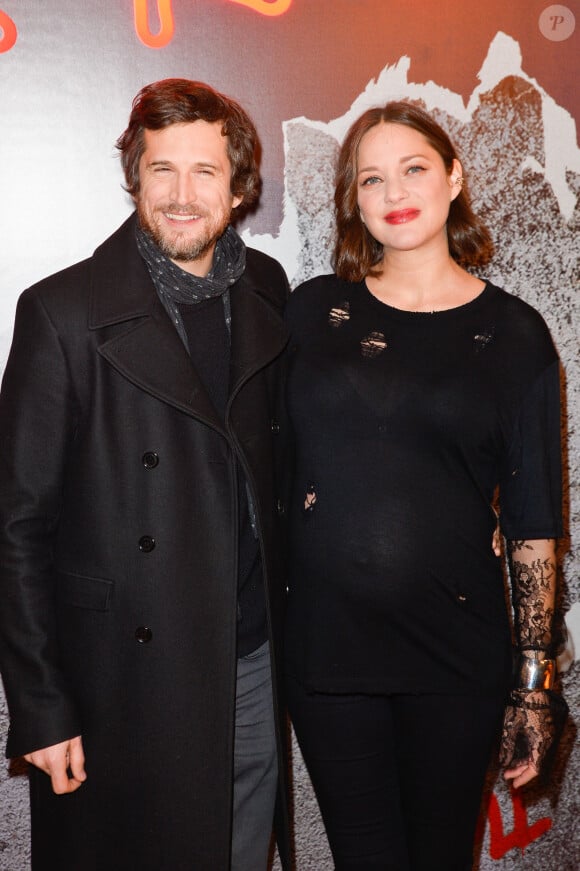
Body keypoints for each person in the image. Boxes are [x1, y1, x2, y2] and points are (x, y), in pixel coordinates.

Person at [0, 79, 292, 871]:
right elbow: (16, 527)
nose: (183, 195)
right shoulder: (61, 311)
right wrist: (39, 704)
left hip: (251, 657)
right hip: (120, 674)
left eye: (205, 172)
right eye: (162, 170)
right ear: (134, 177)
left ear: (238, 185)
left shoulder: (268, 289)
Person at [283, 101, 566, 871]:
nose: (394, 191)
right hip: (326, 651)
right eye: (371, 178)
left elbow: (536, 517)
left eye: (413, 168)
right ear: (354, 201)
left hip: (455, 652)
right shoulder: (308, 313)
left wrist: (536, 679)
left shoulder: (516, 334)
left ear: (453, 177)